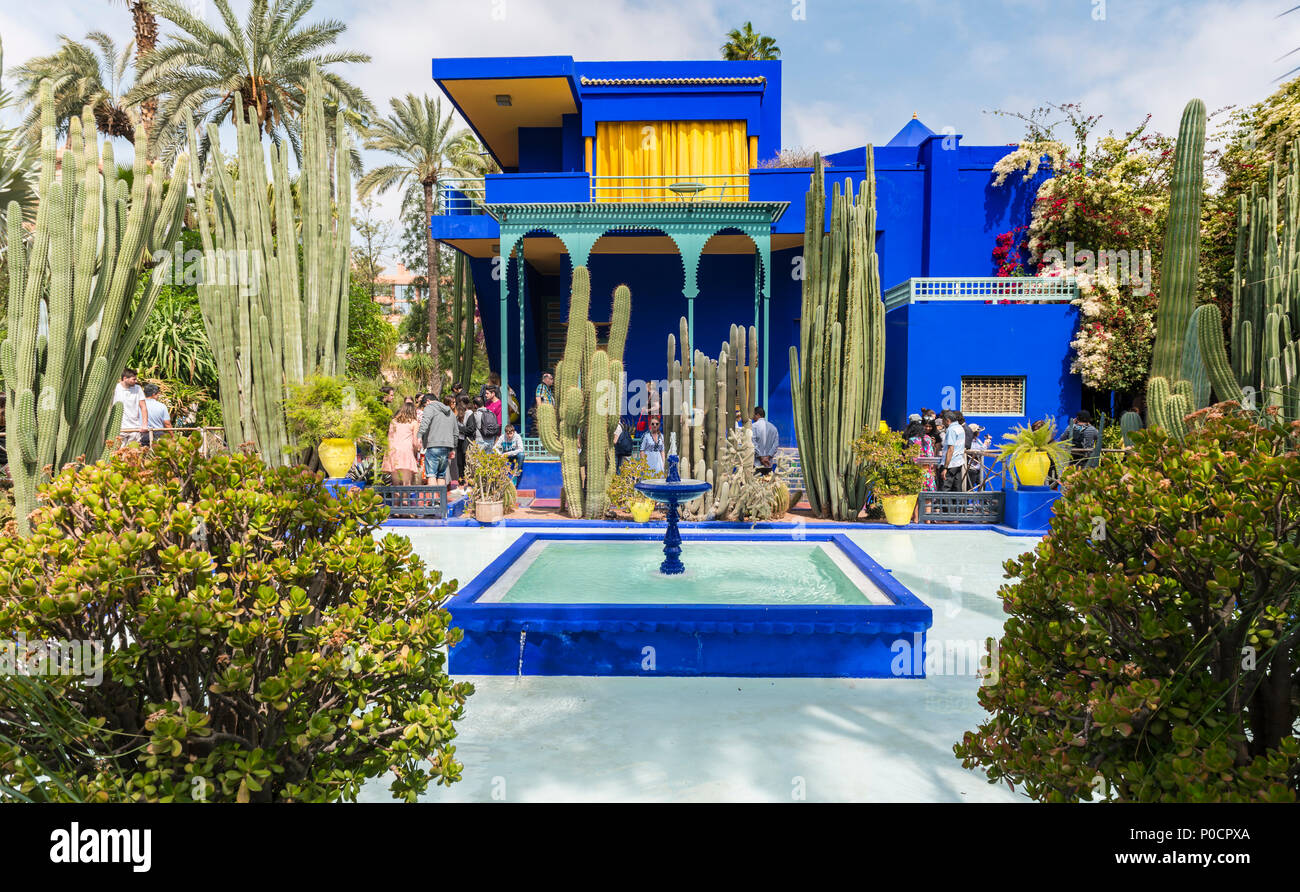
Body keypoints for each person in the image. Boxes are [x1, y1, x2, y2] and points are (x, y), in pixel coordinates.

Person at [417, 393, 457, 485]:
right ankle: (441, 499)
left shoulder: (429, 407)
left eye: (424, 405)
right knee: (441, 475)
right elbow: (456, 432)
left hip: (433, 445)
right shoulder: (450, 411)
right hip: (447, 446)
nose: (425, 408)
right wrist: (453, 448)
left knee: (431, 475)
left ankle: (434, 499)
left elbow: (425, 423)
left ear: (428, 401)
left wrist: (419, 436)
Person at [383, 399, 422, 486]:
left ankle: (396, 499)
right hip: (406, 451)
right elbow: (415, 442)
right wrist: (416, 451)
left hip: (393, 451)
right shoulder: (414, 422)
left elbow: (389, 437)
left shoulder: (393, 421)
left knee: (395, 483)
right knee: (406, 483)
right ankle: (405, 500)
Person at [112, 369, 148, 443]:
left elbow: (143, 407)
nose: (136, 381)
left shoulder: (138, 389)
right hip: (119, 428)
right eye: (133, 379)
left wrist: (144, 425)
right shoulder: (115, 388)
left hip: (134, 428)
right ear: (125, 378)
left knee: (133, 452)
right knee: (118, 452)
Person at [904, 414, 936, 491]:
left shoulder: (911, 440)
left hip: (916, 471)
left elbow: (910, 457)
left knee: (916, 495)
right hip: (927, 470)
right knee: (928, 496)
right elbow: (931, 454)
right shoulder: (928, 438)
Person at [939, 410, 966, 491]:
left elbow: (950, 449)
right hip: (959, 462)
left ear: (947, 420)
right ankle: (958, 504)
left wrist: (945, 468)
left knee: (945, 489)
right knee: (957, 489)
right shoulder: (960, 427)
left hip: (951, 464)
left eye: (943, 421)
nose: (942, 424)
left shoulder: (951, 430)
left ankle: (945, 504)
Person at [751, 407, 779, 474]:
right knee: (768, 482)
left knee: (754, 483)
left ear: (757, 415)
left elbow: (752, 443)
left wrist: (761, 457)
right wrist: (767, 457)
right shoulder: (773, 428)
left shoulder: (753, 426)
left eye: (753, 415)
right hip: (768, 464)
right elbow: (775, 445)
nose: (752, 418)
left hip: (756, 464)